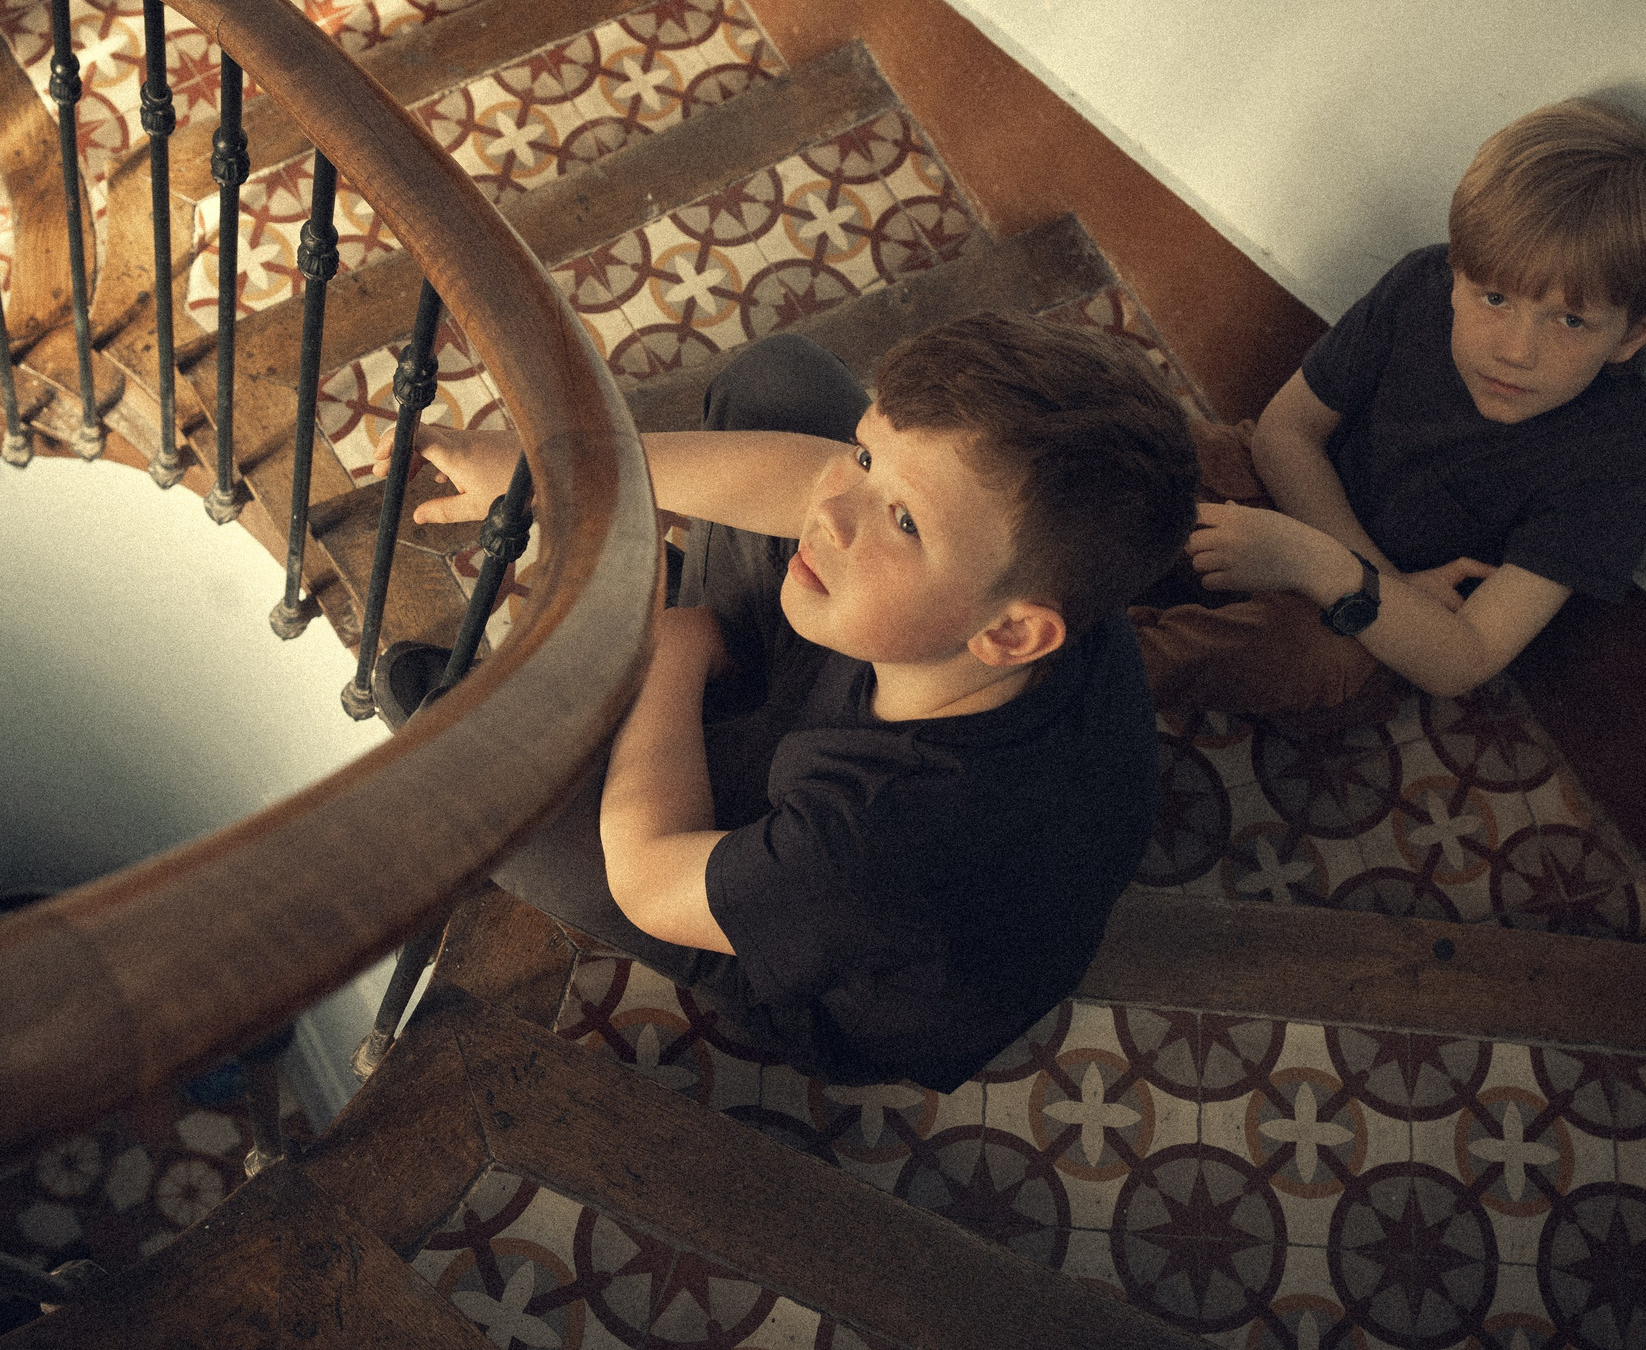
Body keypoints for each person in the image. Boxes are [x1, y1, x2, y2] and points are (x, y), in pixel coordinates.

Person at [388, 315, 1199, 1092]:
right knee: (779, 381)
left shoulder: (878, 842)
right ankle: (714, 686)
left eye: (905, 520)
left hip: (820, 955)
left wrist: (672, 652)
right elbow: (814, 479)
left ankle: (663, 696)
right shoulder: (1032, 594)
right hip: (865, 704)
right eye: (868, 455)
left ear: (1014, 632)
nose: (832, 510)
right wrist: (562, 472)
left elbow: (649, 878)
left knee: (462, 779)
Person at [1131, 97, 1646, 722]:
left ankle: (1084, 676)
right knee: (1137, 448)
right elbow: (1285, 434)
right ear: (1455, 273)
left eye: (1571, 321)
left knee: (1307, 655)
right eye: (1495, 298)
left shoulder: (1620, 456)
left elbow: (1462, 660)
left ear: (1635, 334)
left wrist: (1317, 566)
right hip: (1310, 510)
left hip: (1379, 628)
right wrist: (1357, 566)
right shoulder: (1421, 287)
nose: (1516, 352)